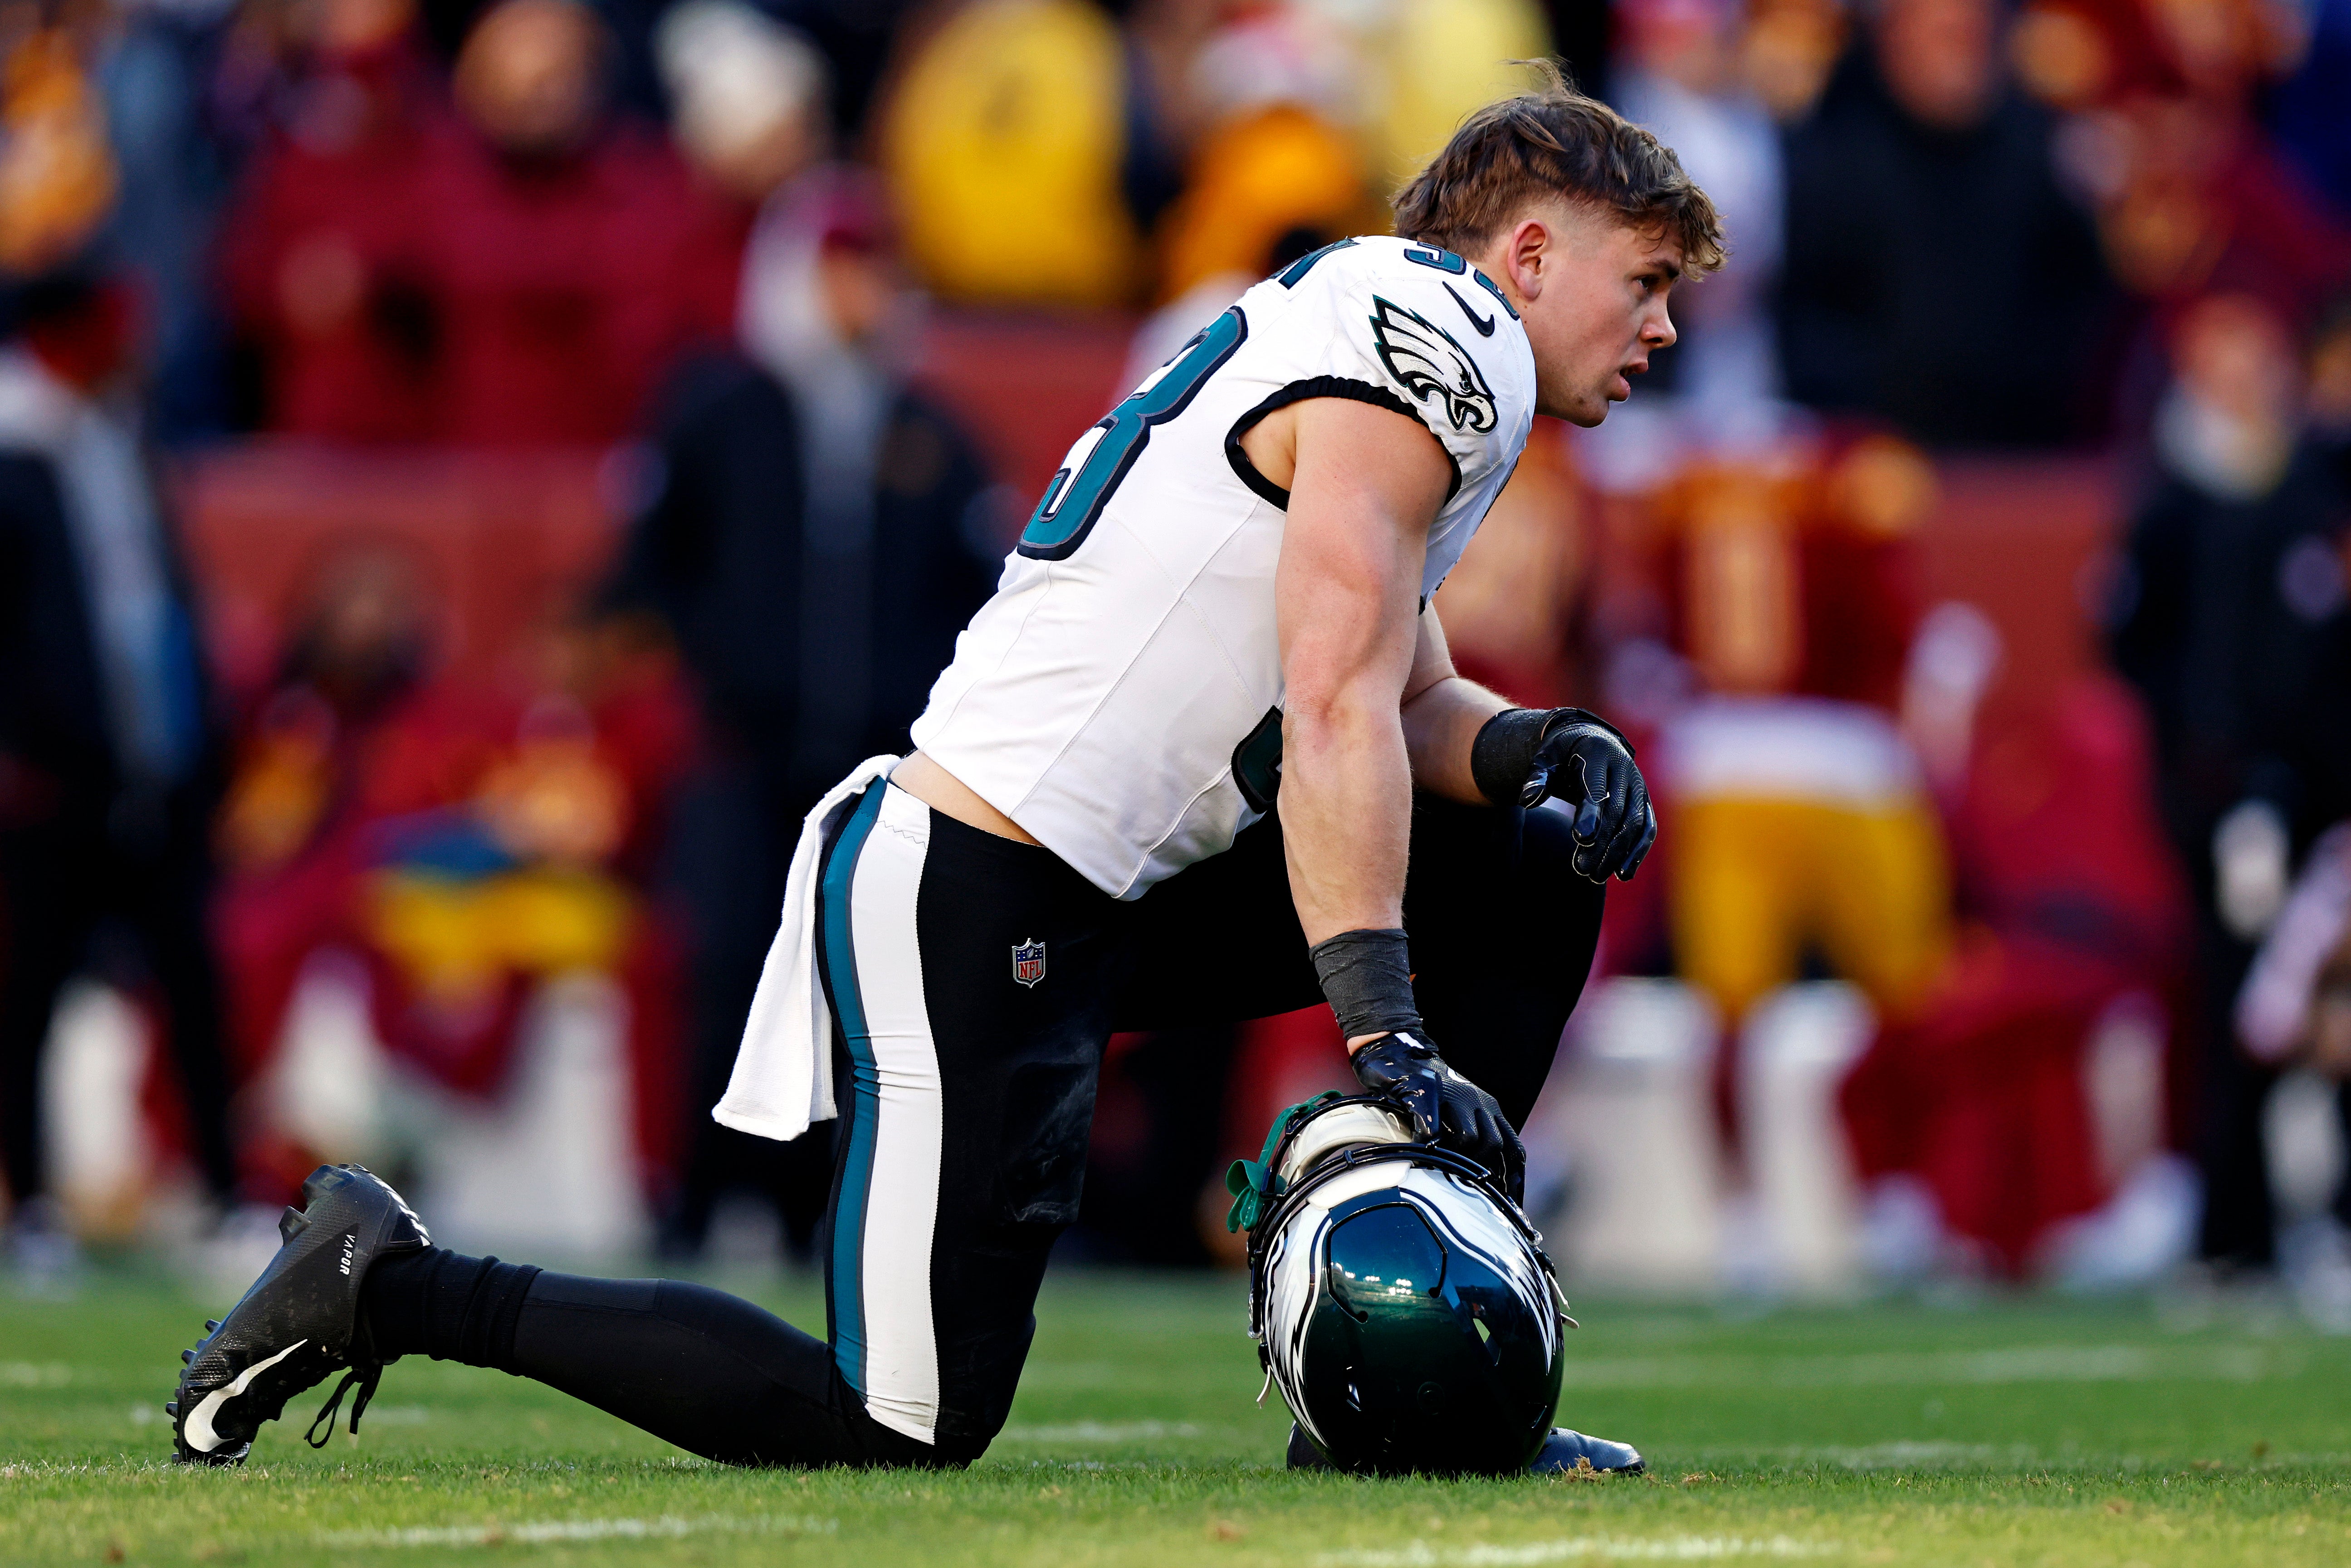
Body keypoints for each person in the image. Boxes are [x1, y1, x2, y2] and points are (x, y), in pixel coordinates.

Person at [169, 72, 1718, 1473]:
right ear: (1525, 253)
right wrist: (1381, 1026)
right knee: (895, 1420)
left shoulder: (1404, 338)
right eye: (1642, 281)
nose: (1661, 327)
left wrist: (1536, 741)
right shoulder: (1435, 340)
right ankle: (390, 1281)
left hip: (1100, 879)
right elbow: (1332, 711)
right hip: (972, 891)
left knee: (1529, 839)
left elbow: (1401, 691)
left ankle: (1420, 1371)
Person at [0, 269, 241, 1277]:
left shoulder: (119, 438)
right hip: (53, 776)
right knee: (30, 993)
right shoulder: (17, 449)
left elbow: (153, 601)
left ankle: (227, 1195)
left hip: (150, 762)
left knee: (193, 981)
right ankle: (33, 1207)